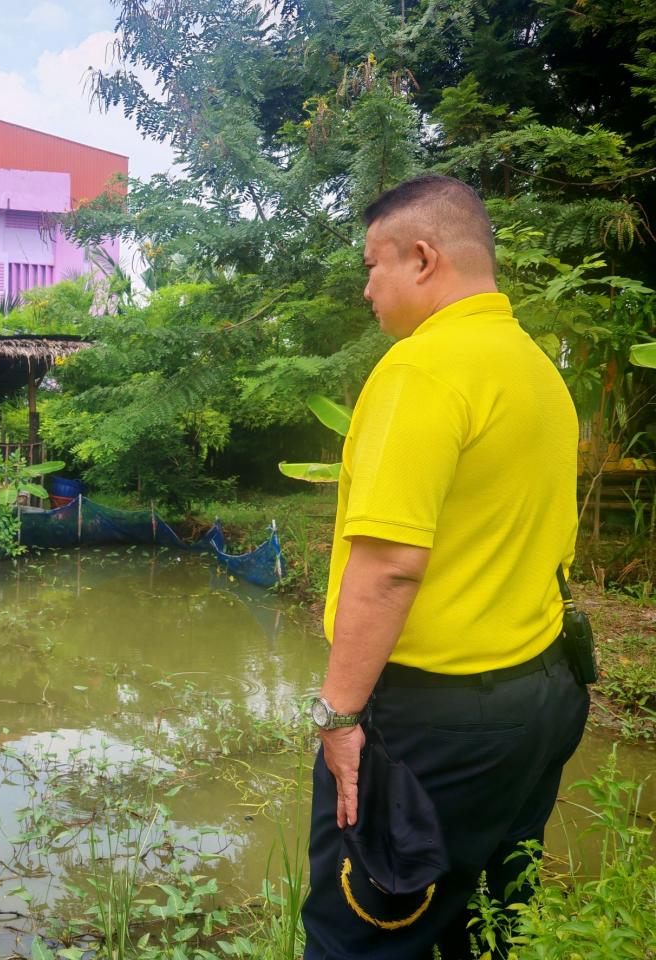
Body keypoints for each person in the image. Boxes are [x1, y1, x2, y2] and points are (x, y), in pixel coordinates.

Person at [300, 175, 589, 959]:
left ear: (423, 258)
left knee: (357, 938)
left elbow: (390, 564)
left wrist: (337, 717)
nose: (366, 288)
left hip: (429, 729)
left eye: (372, 266)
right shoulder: (535, 370)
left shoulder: (422, 369)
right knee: (481, 928)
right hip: (539, 701)